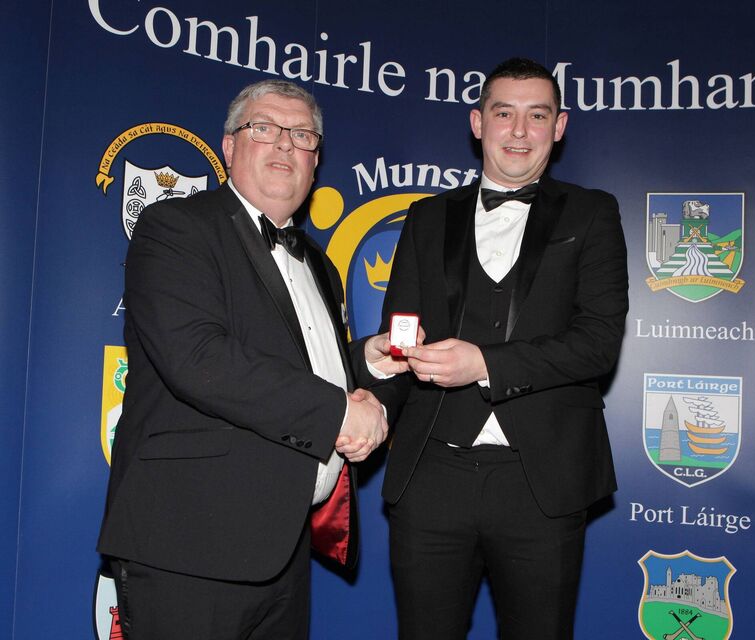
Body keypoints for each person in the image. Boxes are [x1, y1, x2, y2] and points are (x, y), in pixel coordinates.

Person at [97, 79, 388, 640]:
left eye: (301, 135)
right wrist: (336, 413)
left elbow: (295, 365)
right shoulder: (176, 227)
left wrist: (361, 363)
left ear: (316, 159)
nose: (284, 144)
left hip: (283, 549)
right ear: (229, 147)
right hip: (188, 544)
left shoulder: (322, 267)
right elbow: (198, 357)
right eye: (264, 128)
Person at [358, 57, 629, 639]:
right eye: (504, 113)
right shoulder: (428, 217)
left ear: (559, 127)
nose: (520, 131)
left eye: (538, 115)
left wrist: (484, 364)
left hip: (542, 482)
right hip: (431, 477)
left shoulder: (593, 213)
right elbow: (401, 333)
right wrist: (376, 395)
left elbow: (598, 343)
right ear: (478, 123)